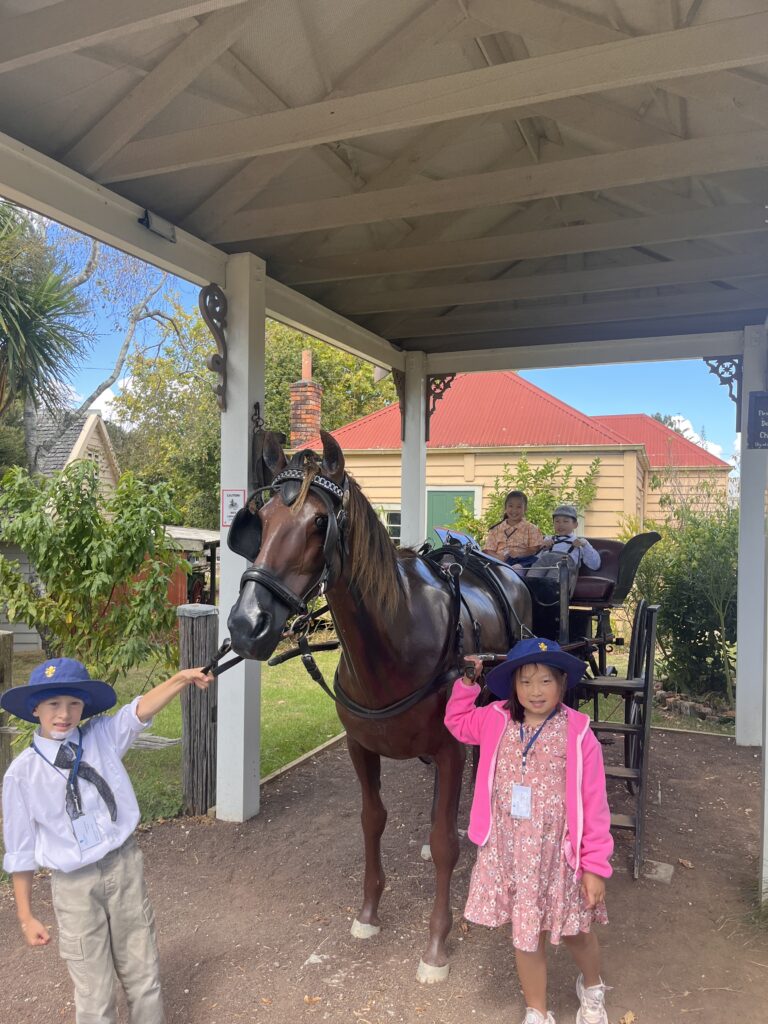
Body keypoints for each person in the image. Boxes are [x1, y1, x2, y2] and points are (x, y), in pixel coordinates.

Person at [1, 657, 213, 1024]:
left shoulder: (100, 736)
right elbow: (19, 851)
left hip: (123, 865)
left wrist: (180, 679)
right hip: (74, 886)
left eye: (73, 704)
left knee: (143, 973)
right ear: (35, 708)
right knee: (94, 992)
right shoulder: (22, 775)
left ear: (85, 707)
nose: (63, 714)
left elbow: (138, 711)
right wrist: (25, 915)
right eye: (53, 704)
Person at [445, 638, 613, 1024]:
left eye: (545, 681)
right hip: (510, 850)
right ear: (513, 687)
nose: (535, 692)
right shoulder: (494, 718)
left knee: (575, 931)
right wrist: (468, 685)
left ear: (562, 683)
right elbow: (456, 722)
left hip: (560, 855)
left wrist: (594, 866)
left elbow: (595, 806)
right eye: (525, 682)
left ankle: (591, 987)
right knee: (526, 932)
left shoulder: (579, 733)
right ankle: (537, 1010)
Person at [483, 491, 545, 567]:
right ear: (505, 508)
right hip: (499, 564)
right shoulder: (495, 529)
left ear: (525, 509)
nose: (514, 510)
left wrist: (519, 554)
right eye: (510, 506)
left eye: (519, 507)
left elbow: (534, 549)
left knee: (518, 567)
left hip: (522, 563)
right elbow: (488, 550)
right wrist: (498, 558)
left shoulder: (532, 529)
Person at [539, 504, 601, 571]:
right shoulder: (548, 539)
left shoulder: (580, 542)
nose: (561, 525)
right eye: (557, 521)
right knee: (532, 574)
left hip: (564, 573)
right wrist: (543, 548)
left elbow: (595, 565)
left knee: (556, 573)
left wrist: (585, 545)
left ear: (575, 525)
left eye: (565, 521)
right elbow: (534, 561)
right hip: (544, 568)